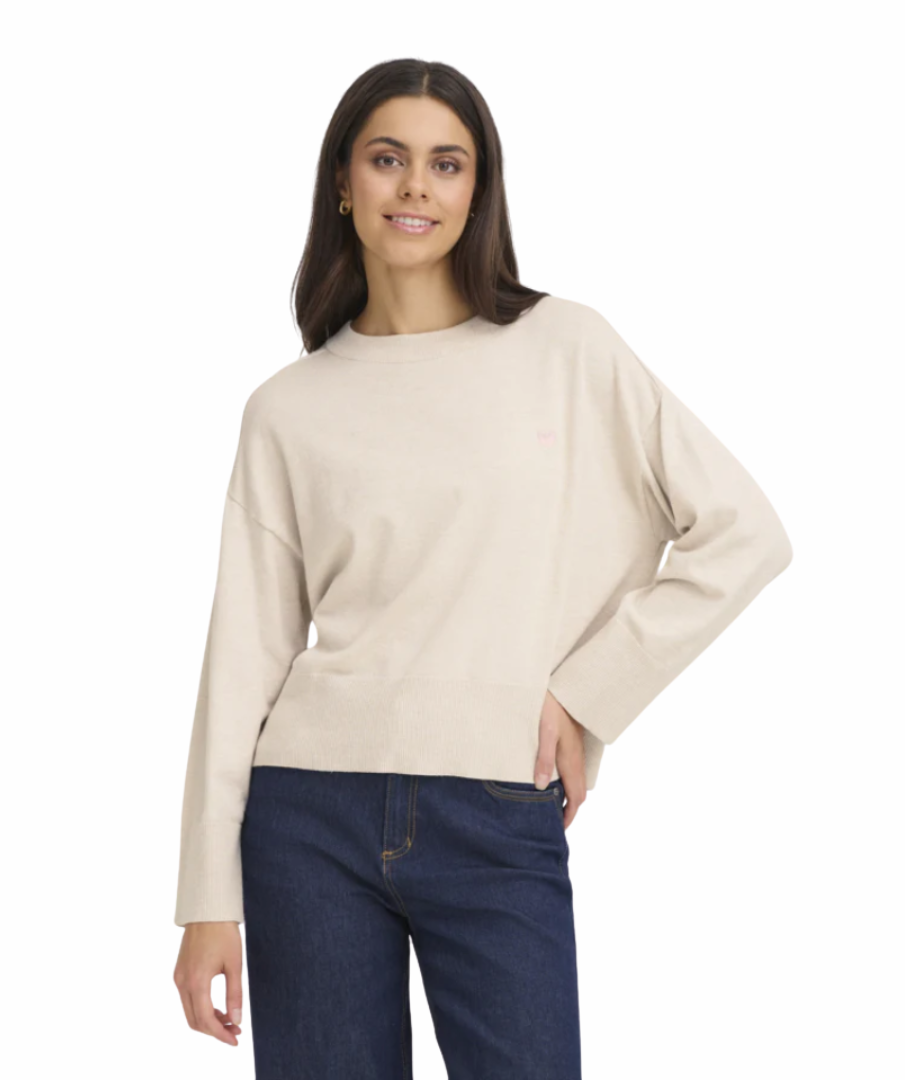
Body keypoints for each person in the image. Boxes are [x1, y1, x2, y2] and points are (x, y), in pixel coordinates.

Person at [172, 58, 792, 1079]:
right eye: (388, 159)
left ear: (477, 189)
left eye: (446, 163)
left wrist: (589, 691)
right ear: (343, 183)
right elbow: (242, 655)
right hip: (305, 819)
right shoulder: (287, 408)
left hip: (497, 804)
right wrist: (205, 900)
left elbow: (744, 532)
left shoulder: (566, 347)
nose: (416, 185)